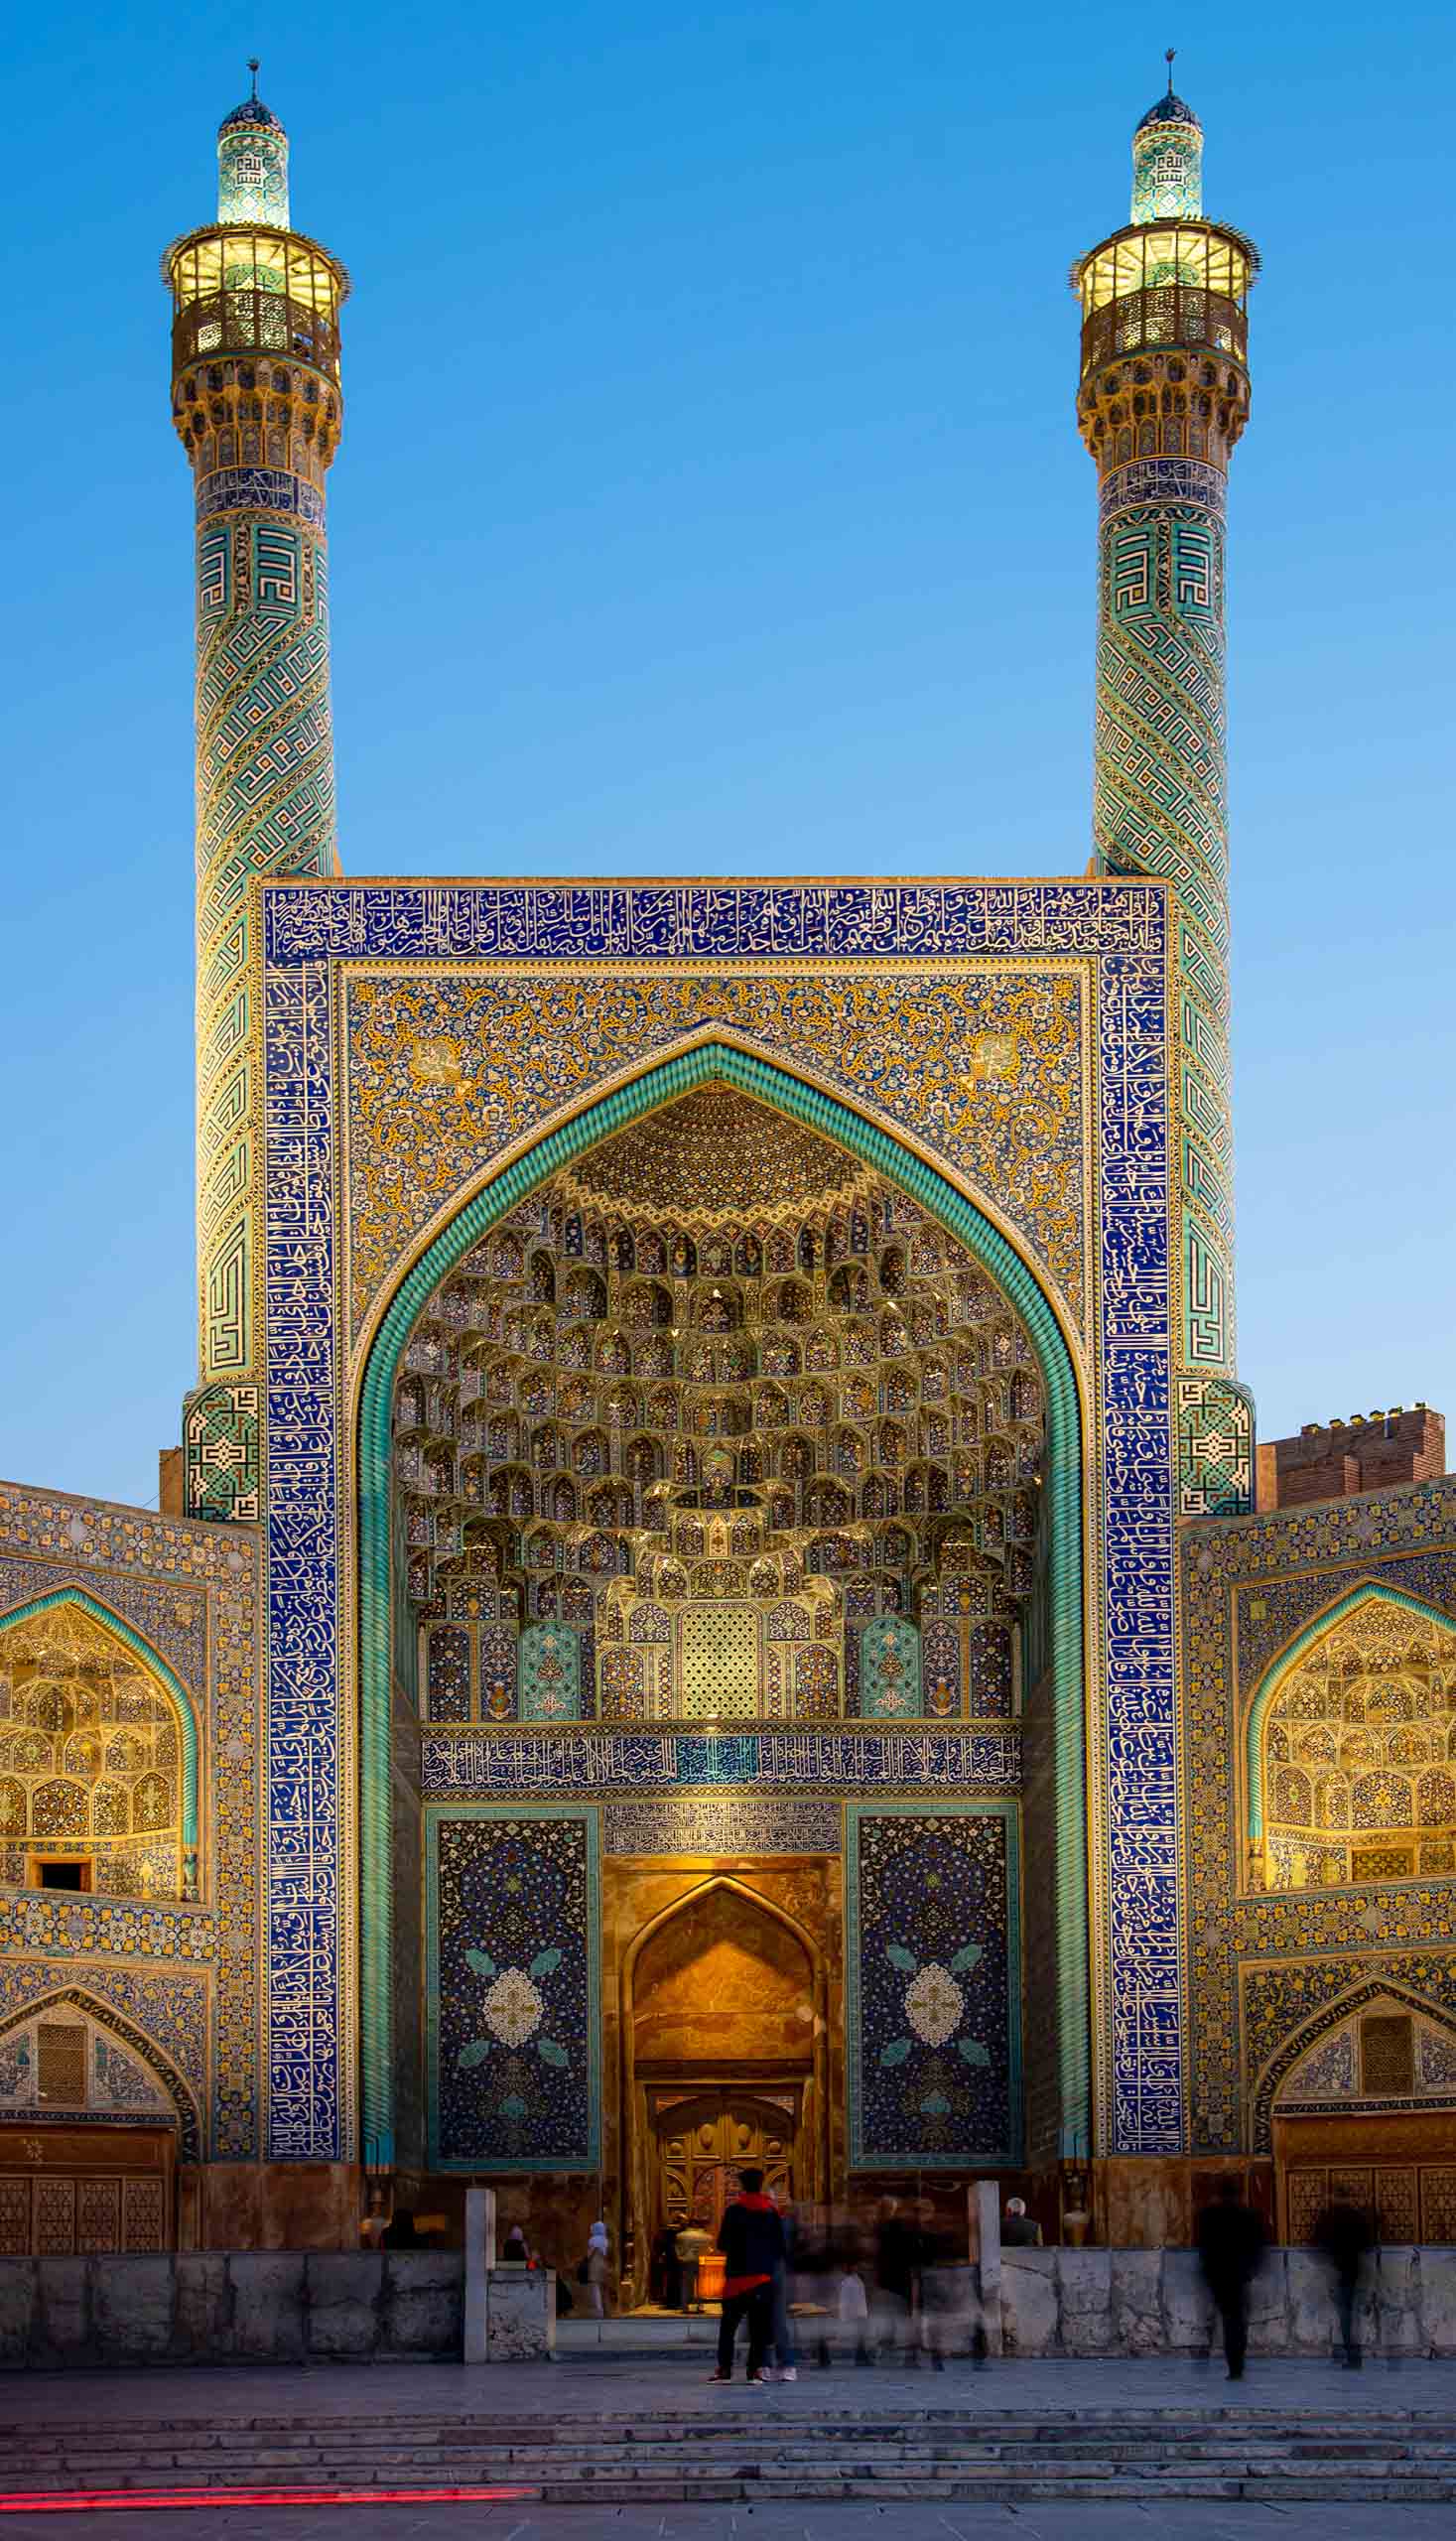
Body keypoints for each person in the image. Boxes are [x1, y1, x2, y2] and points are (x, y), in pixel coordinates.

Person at [711, 2168, 785, 2383]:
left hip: (736, 2279)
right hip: (762, 2279)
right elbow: (781, 2247)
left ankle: (724, 2369)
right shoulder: (772, 2212)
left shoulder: (734, 2211)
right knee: (759, 2329)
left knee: (728, 2328)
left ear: (742, 2186)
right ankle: (754, 2370)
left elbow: (722, 2243)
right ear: (761, 2185)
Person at [1195, 2178, 1265, 2379]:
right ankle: (1237, 2365)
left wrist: (1207, 2272)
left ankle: (1229, 2363)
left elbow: (1203, 2247)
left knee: (1226, 2320)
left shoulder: (1209, 2216)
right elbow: (1257, 2247)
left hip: (1217, 2276)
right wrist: (1251, 2270)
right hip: (1238, 2276)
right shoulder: (1248, 2216)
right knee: (1236, 2322)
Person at [1315, 2195, 1374, 2368]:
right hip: (1354, 2268)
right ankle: (1352, 2355)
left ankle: (1352, 2356)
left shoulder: (1333, 2218)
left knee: (1346, 2316)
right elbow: (1366, 2243)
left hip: (1341, 2270)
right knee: (1349, 2315)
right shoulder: (1355, 2217)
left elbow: (1320, 2241)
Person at [583, 2218, 609, 2319]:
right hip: (603, 2264)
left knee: (596, 2288)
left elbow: (589, 2254)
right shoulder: (605, 2240)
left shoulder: (593, 2240)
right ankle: (607, 2309)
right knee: (604, 2289)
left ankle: (599, 2311)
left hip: (595, 2264)